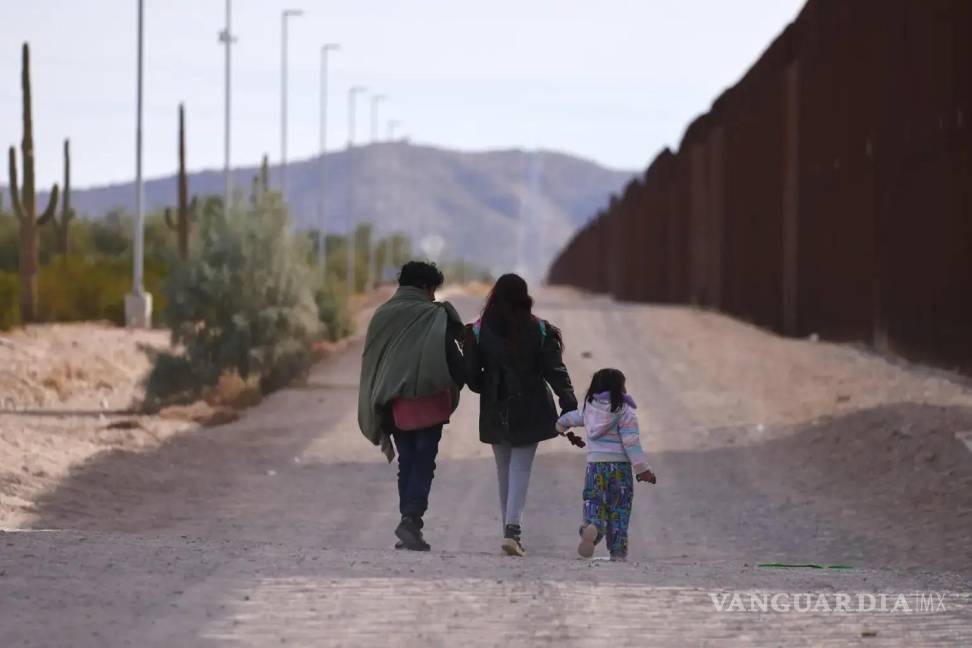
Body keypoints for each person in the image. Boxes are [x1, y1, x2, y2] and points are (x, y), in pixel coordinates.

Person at [464, 274, 577, 556]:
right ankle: (512, 531)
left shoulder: (478, 331)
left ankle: (509, 530)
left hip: (495, 406)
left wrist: (487, 385)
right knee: (520, 469)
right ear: (524, 296)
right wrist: (568, 402)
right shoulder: (539, 330)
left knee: (504, 470)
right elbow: (555, 370)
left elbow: (470, 375)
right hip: (532, 405)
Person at [358, 261, 465, 551]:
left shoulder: (382, 315)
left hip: (395, 406)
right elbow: (455, 360)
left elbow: (372, 361)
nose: (433, 297)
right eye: (433, 290)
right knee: (423, 462)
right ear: (425, 287)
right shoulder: (435, 316)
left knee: (407, 461)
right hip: (430, 405)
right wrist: (464, 381)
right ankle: (411, 518)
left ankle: (408, 518)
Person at [556, 368, 656, 562]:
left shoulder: (588, 409)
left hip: (595, 466)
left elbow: (567, 419)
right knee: (619, 508)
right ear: (620, 388)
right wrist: (643, 470)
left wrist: (561, 428)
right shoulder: (626, 413)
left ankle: (593, 526)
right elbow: (631, 443)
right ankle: (618, 551)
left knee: (594, 500)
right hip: (620, 469)